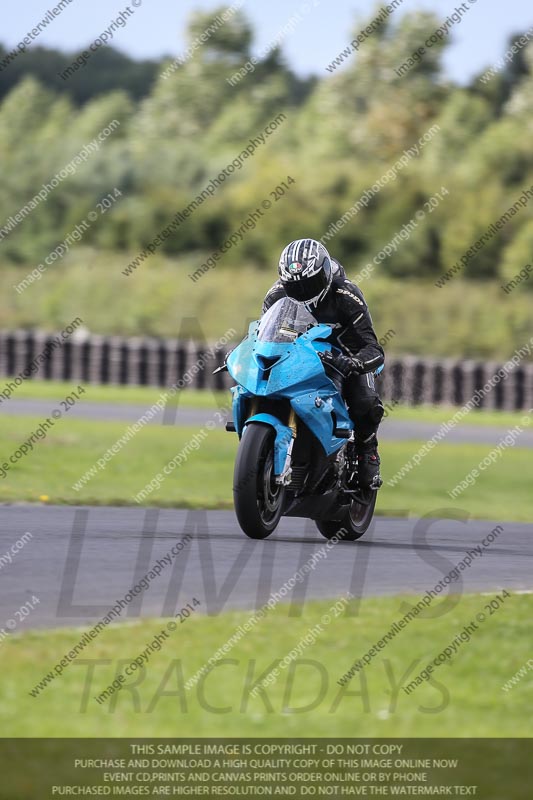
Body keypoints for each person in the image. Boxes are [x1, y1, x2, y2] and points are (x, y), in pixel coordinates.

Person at [262, 238, 384, 489]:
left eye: (311, 284)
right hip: (300, 355)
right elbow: (263, 335)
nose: (304, 292)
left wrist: (354, 363)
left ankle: (366, 449)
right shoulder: (276, 295)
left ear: (326, 273)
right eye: (296, 286)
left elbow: (373, 349)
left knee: (365, 403)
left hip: (344, 356)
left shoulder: (347, 295)